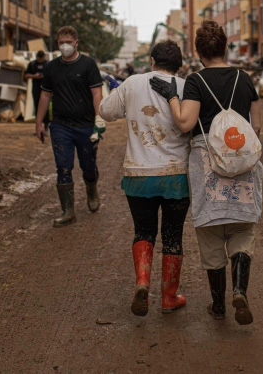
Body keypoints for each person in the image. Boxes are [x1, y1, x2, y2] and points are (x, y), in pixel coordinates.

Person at [149, 19, 262, 326]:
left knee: (211, 230)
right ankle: (240, 289)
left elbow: (185, 123)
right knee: (242, 226)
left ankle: (219, 306)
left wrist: (173, 96)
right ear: (226, 46)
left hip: (207, 160)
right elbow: (257, 127)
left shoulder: (196, 82)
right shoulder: (245, 78)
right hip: (241, 159)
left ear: (198, 52)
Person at [99, 40, 190, 317]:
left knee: (144, 231)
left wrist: (121, 91)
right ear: (180, 64)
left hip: (138, 175)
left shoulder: (132, 83)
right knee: (173, 237)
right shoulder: (186, 87)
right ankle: (168, 297)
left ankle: (142, 283)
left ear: (152, 61)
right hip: (176, 176)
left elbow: (105, 111)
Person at [35, 26, 107, 227]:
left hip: (85, 126)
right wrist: (39, 122)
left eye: (68, 42)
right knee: (63, 167)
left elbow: (96, 93)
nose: (64, 46)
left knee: (88, 166)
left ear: (76, 43)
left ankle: (91, 189)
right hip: (60, 126)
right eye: (61, 42)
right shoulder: (52, 67)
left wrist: (98, 120)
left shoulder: (88, 64)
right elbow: (45, 95)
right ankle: (68, 211)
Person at [24, 50, 50, 127]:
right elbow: (26, 75)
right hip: (36, 88)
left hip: (46, 88)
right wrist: (34, 76)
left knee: (46, 106)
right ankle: (39, 125)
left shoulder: (48, 64)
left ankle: (46, 125)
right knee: (37, 106)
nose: (40, 60)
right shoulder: (32, 64)